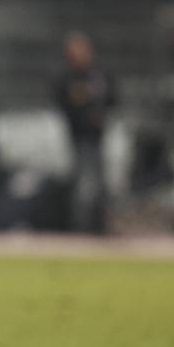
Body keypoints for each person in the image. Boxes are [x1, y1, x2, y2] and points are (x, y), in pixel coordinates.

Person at [53, 31, 116, 234]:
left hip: (99, 136)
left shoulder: (99, 74)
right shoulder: (67, 76)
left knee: (100, 184)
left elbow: (113, 97)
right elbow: (62, 101)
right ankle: (79, 228)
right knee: (82, 186)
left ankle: (99, 227)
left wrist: (100, 113)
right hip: (78, 137)